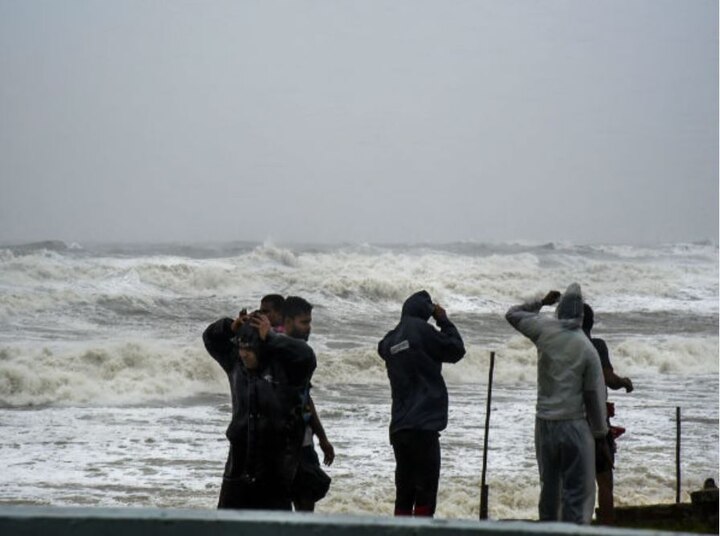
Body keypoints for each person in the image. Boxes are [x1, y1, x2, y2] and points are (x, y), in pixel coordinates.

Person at [505, 284, 608, 525]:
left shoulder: (544, 329)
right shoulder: (587, 349)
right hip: (575, 426)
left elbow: (512, 314)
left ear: (559, 309)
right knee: (578, 496)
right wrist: (601, 435)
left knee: (549, 492)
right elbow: (593, 397)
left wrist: (540, 302)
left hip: (544, 424)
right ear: (582, 315)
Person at [202, 309, 316, 510]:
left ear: (263, 346)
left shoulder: (286, 369)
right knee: (228, 526)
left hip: (275, 468)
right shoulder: (235, 364)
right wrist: (229, 326)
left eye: (249, 347)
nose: (244, 353)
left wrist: (272, 337)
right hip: (238, 464)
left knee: (274, 527)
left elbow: (306, 355)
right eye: (240, 346)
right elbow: (209, 338)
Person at [377, 290, 466, 517]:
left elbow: (382, 348)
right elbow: (456, 349)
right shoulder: (423, 331)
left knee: (404, 490)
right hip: (423, 425)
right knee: (425, 490)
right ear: (425, 312)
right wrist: (442, 319)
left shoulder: (390, 340)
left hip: (399, 427)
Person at [280, 296, 335, 512]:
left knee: (306, 502)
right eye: (304, 322)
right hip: (284, 445)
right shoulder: (279, 353)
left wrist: (322, 438)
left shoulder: (300, 353)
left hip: (304, 442)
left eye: (309, 322)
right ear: (288, 321)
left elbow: (306, 399)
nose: (308, 328)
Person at [582, 303, 634, 525]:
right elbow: (608, 379)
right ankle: (605, 528)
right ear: (591, 323)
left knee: (569, 482)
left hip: (564, 418)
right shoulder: (595, 345)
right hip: (595, 420)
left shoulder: (559, 344)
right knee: (604, 481)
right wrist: (625, 382)